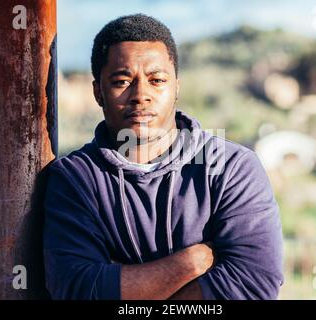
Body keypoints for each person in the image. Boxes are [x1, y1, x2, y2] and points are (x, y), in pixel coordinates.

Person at [43, 13, 283, 300]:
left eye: (157, 80)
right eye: (122, 81)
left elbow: (253, 285)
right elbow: (78, 289)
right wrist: (191, 263)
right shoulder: (75, 178)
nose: (140, 95)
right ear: (98, 92)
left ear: (176, 88)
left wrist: (128, 284)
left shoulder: (232, 167)